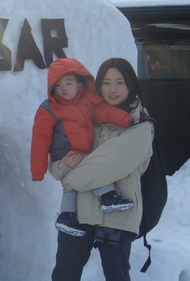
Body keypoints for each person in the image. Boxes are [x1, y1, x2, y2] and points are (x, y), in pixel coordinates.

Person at [24, 58, 154, 281]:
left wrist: (67, 174)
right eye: (107, 82)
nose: (112, 89)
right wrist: (61, 166)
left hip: (118, 208)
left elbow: (103, 166)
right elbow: (59, 155)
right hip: (81, 209)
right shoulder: (86, 111)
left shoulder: (141, 125)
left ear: (131, 84)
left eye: (119, 82)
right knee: (65, 273)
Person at [30, 58, 135, 237]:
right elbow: (40, 139)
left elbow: (104, 112)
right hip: (65, 152)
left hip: (81, 151)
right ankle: (107, 196)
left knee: (72, 186)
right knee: (92, 169)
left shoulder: (88, 102)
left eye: (68, 83)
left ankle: (67, 215)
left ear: (79, 85)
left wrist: (125, 119)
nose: (63, 88)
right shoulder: (49, 109)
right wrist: (37, 171)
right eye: (58, 85)